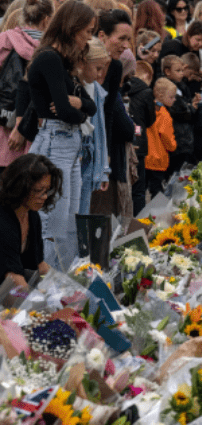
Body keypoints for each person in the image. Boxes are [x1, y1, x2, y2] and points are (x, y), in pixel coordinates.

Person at [26, 0, 96, 271]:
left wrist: (78, 107)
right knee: (53, 220)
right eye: (87, 31)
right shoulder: (49, 58)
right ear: (72, 27)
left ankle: (64, 279)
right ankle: (47, 281)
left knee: (70, 218)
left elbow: (87, 105)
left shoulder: (58, 60)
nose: (88, 37)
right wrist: (78, 110)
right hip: (57, 139)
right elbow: (68, 110)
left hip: (68, 141)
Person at [0, 0, 52, 174]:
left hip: (3, 133)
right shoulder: (52, 50)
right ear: (46, 20)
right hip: (37, 138)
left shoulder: (4, 41)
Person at [94, 8, 135, 219]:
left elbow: (108, 112)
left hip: (97, 143)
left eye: (128, 39)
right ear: (102, 36)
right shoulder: (78, 60)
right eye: (121, 38)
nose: (126, 45)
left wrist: (105, 153)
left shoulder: (116, 67)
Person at [0, 154, 60, 288]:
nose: (44, 197)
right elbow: (13, 280)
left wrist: (63, 288)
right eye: (39, 190)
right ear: (20, 187)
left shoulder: (32, 216)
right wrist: (36, 305)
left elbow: (40, 266)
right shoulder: (4, 221)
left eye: (47, 191)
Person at [77, 38, 110, 215]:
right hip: (77, 149)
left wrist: (103, 167)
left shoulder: (96, 90)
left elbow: (100, 131)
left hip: (89, 151)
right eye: (97, 69)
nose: (99, 74)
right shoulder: (74, 85)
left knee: (83, 210)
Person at [161, 54, 196, 176]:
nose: (181, 73)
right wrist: (192, 108)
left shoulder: (182, 87)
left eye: (182, 70)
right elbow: (181, 112)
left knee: (184, 173)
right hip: (177, 138)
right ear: (167, 72)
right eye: (178, 70)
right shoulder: (168, 89)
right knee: (175, 174)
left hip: (185, 138)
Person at [129, 60, 155, 215]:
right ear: (147, 75)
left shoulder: (122, 87)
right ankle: (138, 224)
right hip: (139, 144)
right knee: (138, 190)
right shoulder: (146, 92)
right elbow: (151, 119)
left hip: (123, 142)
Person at [145, 77, 176, 198]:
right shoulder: (164, 114)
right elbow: (166, 135)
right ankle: (155, 214)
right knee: (157, 190)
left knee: (141, 188)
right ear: (161, 95)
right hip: (158, 157)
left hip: (146, 155)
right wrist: (173, 146)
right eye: (171, 97)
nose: (174, 100)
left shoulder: (147, 108)